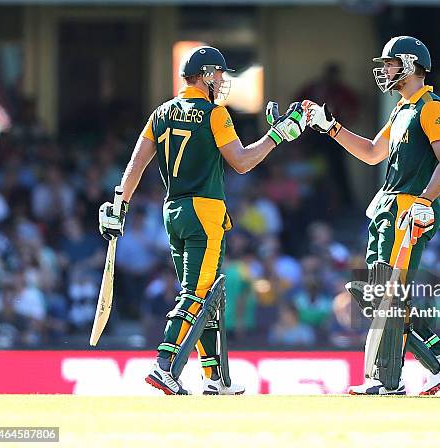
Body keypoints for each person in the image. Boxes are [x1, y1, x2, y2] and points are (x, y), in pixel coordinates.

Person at [98, 46, 306, 395]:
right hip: (204, 212)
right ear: (206, 75)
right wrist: (277, 135)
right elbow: (241, 162)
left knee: (206, 294)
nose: (223, 81)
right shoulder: (216, 114)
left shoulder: (161, 113)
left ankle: (214, 377)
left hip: (173, 211)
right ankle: (164, 365)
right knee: (196, 294)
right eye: (220, 75)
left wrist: (120, 204)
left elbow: (135, 164)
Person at [304, 36, 440, 395]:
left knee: (388, 293)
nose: (385, 70)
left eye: (391, 64)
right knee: (379, 293)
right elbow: (374, 152)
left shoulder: (431, 107)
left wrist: (423, 202)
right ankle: (438, 356)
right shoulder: (401, 109)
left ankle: (386, 379)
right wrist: (332, 128)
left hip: (409, 206)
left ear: (411, 64)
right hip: (388, 206)